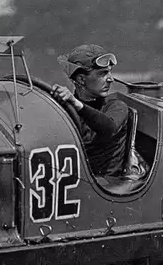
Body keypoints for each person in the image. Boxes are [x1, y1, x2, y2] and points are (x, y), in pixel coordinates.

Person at [51, 44, 139, 179]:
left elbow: (109, 127)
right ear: (81, 79)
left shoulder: (116, 106)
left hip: (106, 184)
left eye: (109, 72)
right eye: (103, 73)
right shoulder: (65, 109)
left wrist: (76, 104)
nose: (111, 79)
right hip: (75, 181)